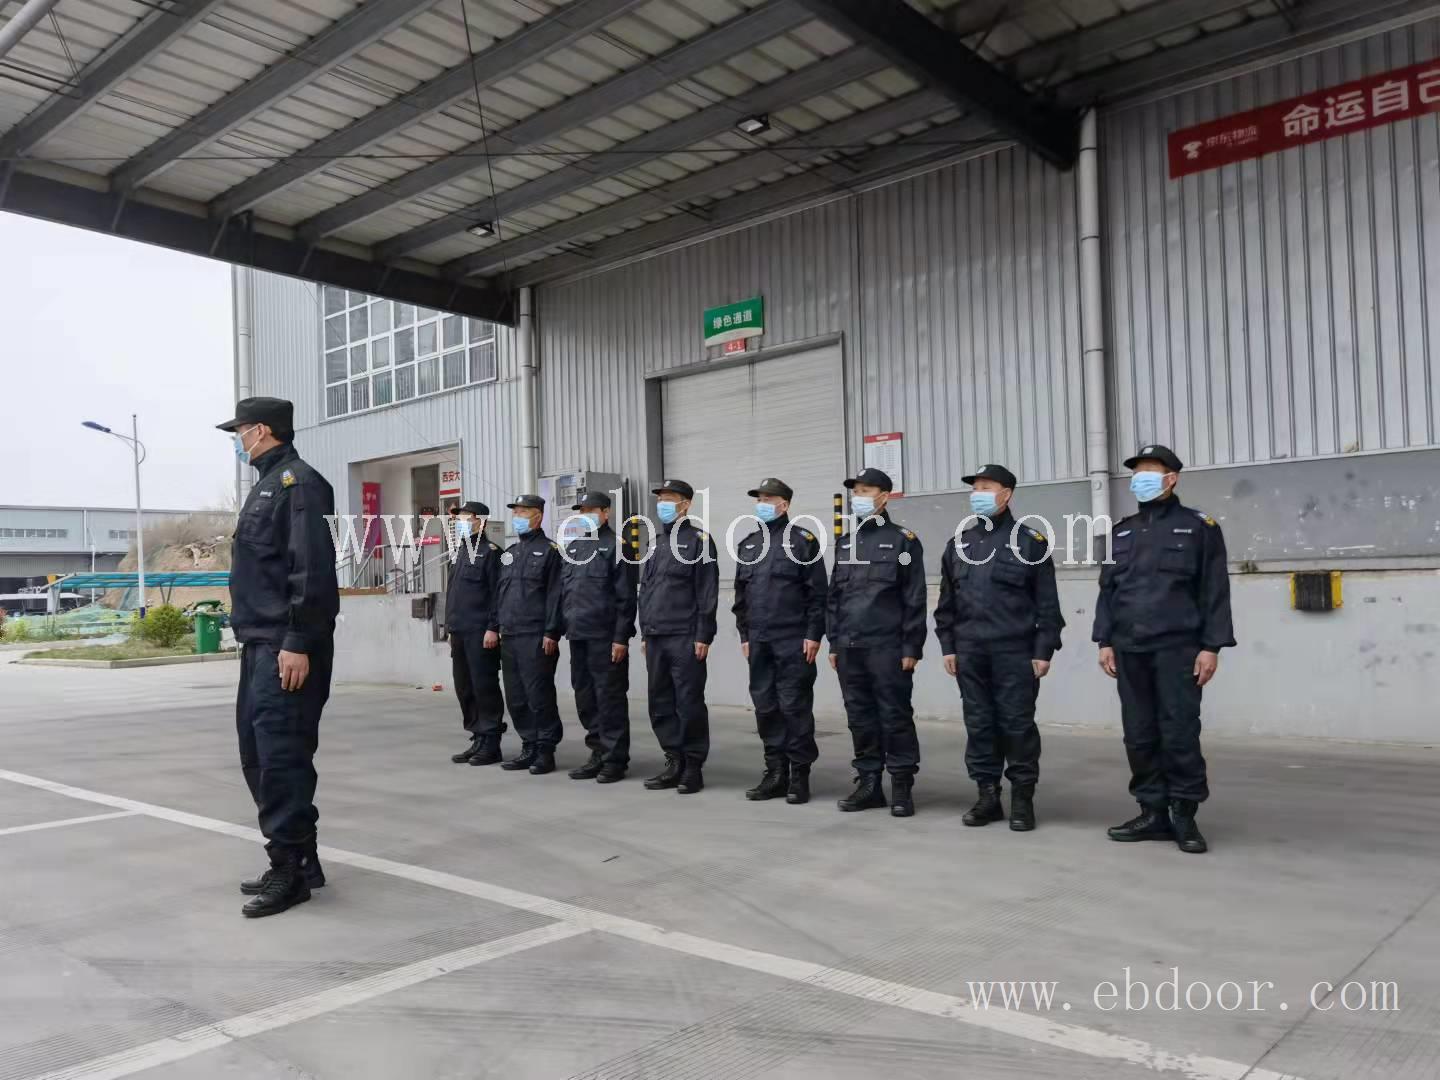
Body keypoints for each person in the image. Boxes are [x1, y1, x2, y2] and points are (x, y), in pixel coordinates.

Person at [218, 397, 338, 919]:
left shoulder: (298, 484)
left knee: (281, 756)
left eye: (239, 431)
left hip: (283, 644)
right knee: (258, 753)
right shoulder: (268, 486)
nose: (237, 439)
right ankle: (302, 859)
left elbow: (309, 569)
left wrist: (297, 640)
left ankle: (289, 871)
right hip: (259, 643)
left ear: (261, 429)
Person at [1093, 444, 1235, 854]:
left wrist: (1211, 647)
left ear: (1172, 478)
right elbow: (1108, 590)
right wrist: (1105, 640)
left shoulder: (1198, 527)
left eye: (1150, 471)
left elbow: (1215, 591)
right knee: (1139, 734)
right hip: (1129, 648)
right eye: (1137, 472)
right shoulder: (1121, 531)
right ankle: (1152, 810)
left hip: (1178, 648)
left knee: (1178, 731)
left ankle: (1184, 815)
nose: (1140, 478)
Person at [935, 464, 1063, 832]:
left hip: (1015, 653)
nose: (977, 493)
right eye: (974, 487)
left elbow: (1047, 605)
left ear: (1006, 494)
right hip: (971, 653)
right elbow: (947, 603)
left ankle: (1022, 798)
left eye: (986, 487)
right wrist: (948, 645)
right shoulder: (959, 544)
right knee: (979, 725)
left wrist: (1043, 650)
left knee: (1017, 725)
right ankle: (987, 796)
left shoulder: (1030, 543)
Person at [827, 468, 926, 817]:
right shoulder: (845, 543)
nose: (859, 497)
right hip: (851, 647)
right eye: (856, 491)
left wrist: (911, 646)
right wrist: (835, 643)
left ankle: (901, 786)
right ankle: (869, 784)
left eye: (866, 491)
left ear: (884, 496)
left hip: (887, 646)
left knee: (895, 716)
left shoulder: (903, 541)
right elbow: (835, 596)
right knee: (860, 717)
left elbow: (914, 597)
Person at [732, 477, 826, 805]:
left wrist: (814, 634)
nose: (761, 503)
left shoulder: (803, 541)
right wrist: (744, 635)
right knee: (766, 707)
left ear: (783, 504)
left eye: (768, 498)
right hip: (758, 641)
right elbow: (741, 596)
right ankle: (775, 772)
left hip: (792, 640)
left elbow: (818, 594)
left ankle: (799, 775)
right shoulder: (747, 544)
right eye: (758, 498)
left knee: (794, 707)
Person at [637, 479, 718, 795]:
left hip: (685, 635)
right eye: (660, 499)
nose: (662, 505)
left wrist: (703, 634)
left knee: (689, 702)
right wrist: (645, 632)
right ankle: (673, 761)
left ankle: (693, 767)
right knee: (660, 702)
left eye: (669, 499)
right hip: (656, 636)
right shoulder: (656, 542)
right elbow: (646, 590)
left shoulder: (700, 540)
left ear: (685, 504)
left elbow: (707, 590)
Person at [560, 491, 637, 783]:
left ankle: (615, 759)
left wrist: (621, 638)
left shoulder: (618, 547)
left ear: (606, 512)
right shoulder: (576, 548)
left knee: (610, 698)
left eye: (591, 509)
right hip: (578, 635)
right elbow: (567, 593)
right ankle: (597, 752)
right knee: (586, 697)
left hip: (605, 637)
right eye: (582, 510)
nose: (585, 514)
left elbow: (626, 598)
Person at [493, 493, 565, 775]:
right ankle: (529, 744)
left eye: (524, 512)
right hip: (509, 634)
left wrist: (551, 631)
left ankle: (545, 750)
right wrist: (496, 626)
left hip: (535, 635)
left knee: (539, 695)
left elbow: (555, 595)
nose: (518, 517)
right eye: (516, 512)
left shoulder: (550, 551)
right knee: (516, 696)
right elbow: (500, 593)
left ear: (538, 516)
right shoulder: (510, 552)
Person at [444, 501, 507, 767]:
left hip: (481, 633)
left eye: (466, 518)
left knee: (484, 687)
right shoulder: (460, 551)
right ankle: (477, 736)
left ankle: (491, 742)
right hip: (459, 631)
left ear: (480, 522)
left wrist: (493, 627)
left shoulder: (491, 553)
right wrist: (449, 626)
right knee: (465, 687)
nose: (460, 523)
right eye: (459, 519)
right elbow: (454, 594)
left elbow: (497, 595)